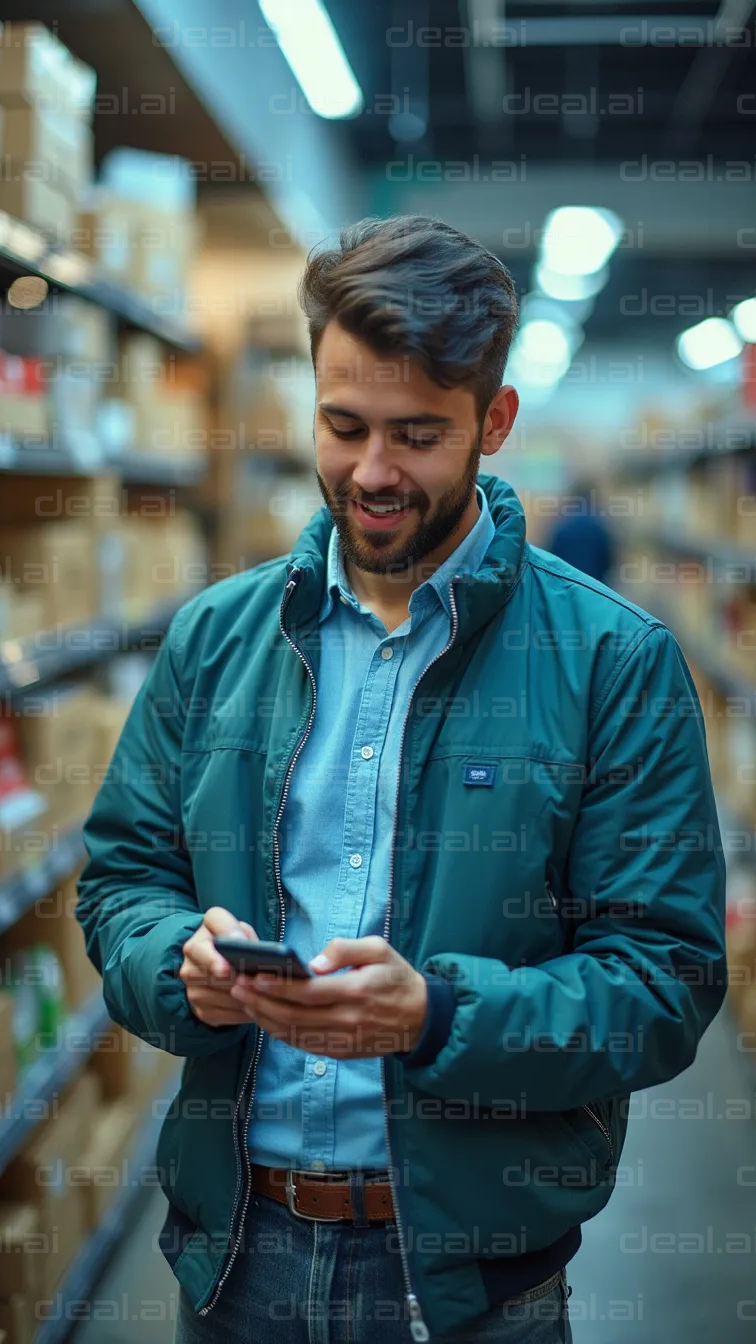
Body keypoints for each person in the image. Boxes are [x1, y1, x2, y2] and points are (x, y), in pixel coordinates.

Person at [76, 215, 727, 1344]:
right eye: (343, 426)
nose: (372, 474)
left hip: (471, 1286)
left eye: (418, 435)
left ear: (495, 421)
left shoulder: (611, 664)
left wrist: (436, 1016)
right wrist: (171, 966)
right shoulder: (216, 640)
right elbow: (123, 876)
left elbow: (664, 980)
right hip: (235, 1263)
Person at [544, 478, 615, 586]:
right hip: (595, 588)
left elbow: (551, 558)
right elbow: (608, 562)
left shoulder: (562, 526)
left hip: (567, 587)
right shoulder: (600, 527)